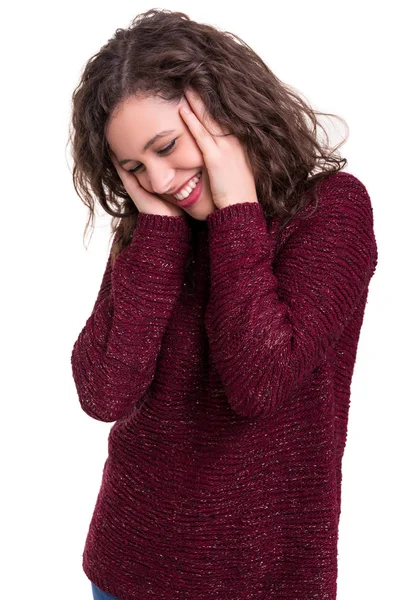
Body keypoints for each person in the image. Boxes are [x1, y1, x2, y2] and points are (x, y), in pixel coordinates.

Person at [68, 8, 378, 600]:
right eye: (135, 168)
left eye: (167, 146)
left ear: (224, 111)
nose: (159, 181)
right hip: (124, 570)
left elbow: (259, 383)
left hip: (263, 582)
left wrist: (238, 210)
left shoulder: (332, 212)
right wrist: (157, 236)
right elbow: (104, 393)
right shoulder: (154, 232)